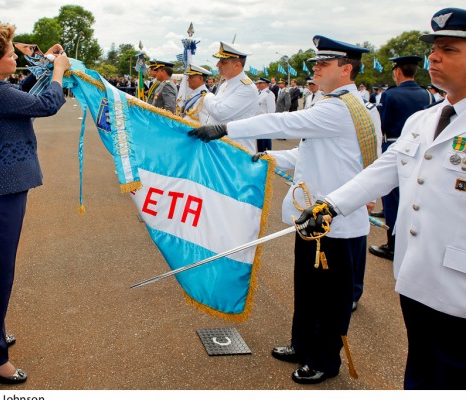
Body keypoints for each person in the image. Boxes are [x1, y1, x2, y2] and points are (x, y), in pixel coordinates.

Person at [189, 35, 382, 384]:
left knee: (330, 297)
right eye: (315, 63)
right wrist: (270, 157)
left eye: (324, 63)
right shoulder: (336, 104)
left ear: (347, 69)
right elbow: (310, 153)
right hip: (313, 218)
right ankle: (302, 343)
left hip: (335, 223)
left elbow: (282, 124)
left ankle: (324, 359)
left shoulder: (338, 107)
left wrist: (225, 129)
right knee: (307, 287)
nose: (315, 68)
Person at [294, 8, 466, 389]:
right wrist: (330, 206)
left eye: (449, 49)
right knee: (421, 371)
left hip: (461, 288)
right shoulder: (425, 119)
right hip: (417, 275)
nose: (434, 57)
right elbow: (383, 170)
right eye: (434, 49)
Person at [0, 21, 70, 384]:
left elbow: (20, 95)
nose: (16, 58)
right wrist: (57, 70)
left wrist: (40, 67)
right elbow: (46, 105)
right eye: (11, 55)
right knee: (0, 275)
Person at [369, 56, 434, 261]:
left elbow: (383, 124)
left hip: (395, 145)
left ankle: (393, 245)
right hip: (424, 149)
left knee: (392, 199)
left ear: (397, 71)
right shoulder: (427, 94)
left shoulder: (390, 95)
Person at [203, 42, 258, 153]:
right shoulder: (225, 84)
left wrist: (207, 96)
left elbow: (220, 112)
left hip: (235, 150)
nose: (218, 65)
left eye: (223, 62)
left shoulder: (246, 88)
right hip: (221, 147)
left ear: (237, 65)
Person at [255, 77, 275, 151]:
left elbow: (271, 110)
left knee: (264, 143)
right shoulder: (260, 93)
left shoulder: (269, 94)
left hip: (265, 121)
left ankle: (266, 157)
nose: (258, 84)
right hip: (258, 121)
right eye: (258, 83)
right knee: (259, 142)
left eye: (260, 83)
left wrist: (269, 122)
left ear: (266, 84)